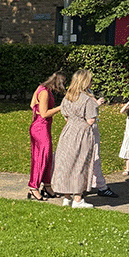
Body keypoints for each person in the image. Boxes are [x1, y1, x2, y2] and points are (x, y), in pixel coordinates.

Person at [50, 69, 103, 208]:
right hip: (82, 133)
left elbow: (65, 116)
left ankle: (67, 197)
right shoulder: (88, 100)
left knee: (66, 163)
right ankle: (78, 199)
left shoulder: (68, 97)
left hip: (68, 132)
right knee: (80, 164)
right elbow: (91, 120)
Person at [28, 72, 66, 200]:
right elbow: (44, 114)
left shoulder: (40, 88)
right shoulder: (44, 92)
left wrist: (37, 111)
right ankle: (33, 187)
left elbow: (32, 104)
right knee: (41, 158)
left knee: (47, 157)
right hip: (41, 128)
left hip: (39, 127)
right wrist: (60, 108)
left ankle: (47, 185)